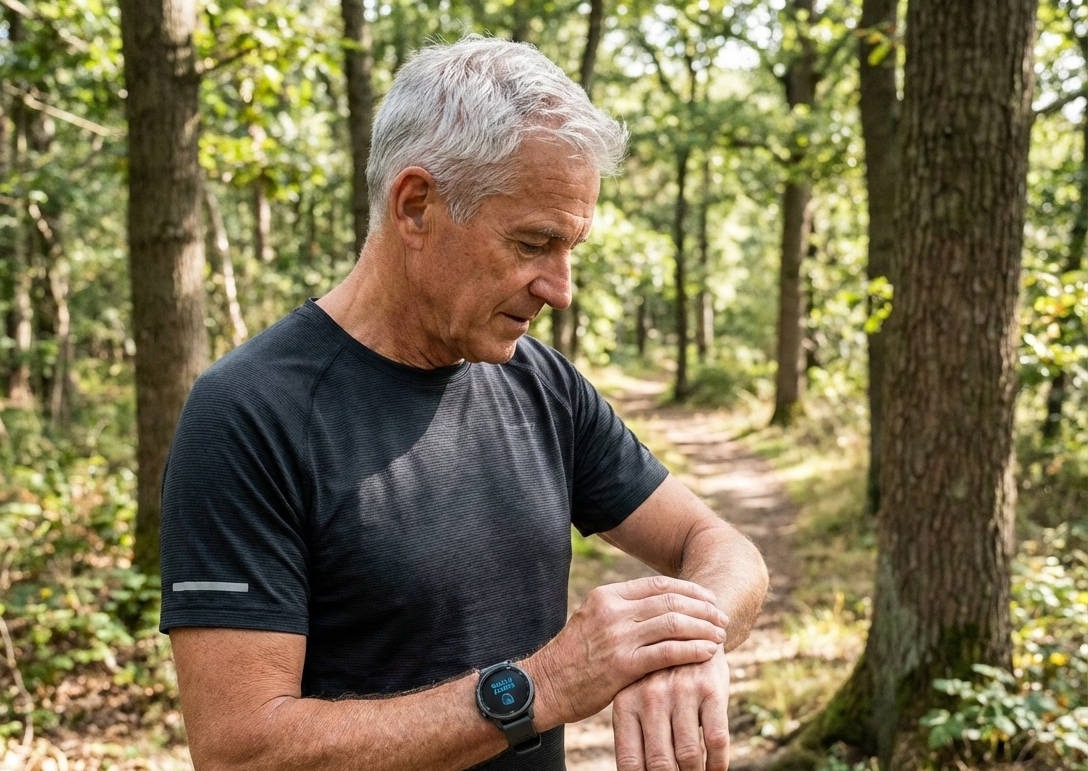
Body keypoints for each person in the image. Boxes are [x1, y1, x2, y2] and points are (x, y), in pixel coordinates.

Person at [159, 35, 768, 771]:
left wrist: (687, 642)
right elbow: (239, 751)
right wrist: (539, 686)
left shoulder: (541, 385)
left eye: (570, 247)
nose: (559, 287)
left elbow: (721, 548)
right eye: (533, 242)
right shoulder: (249, 413)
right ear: (416, 205)